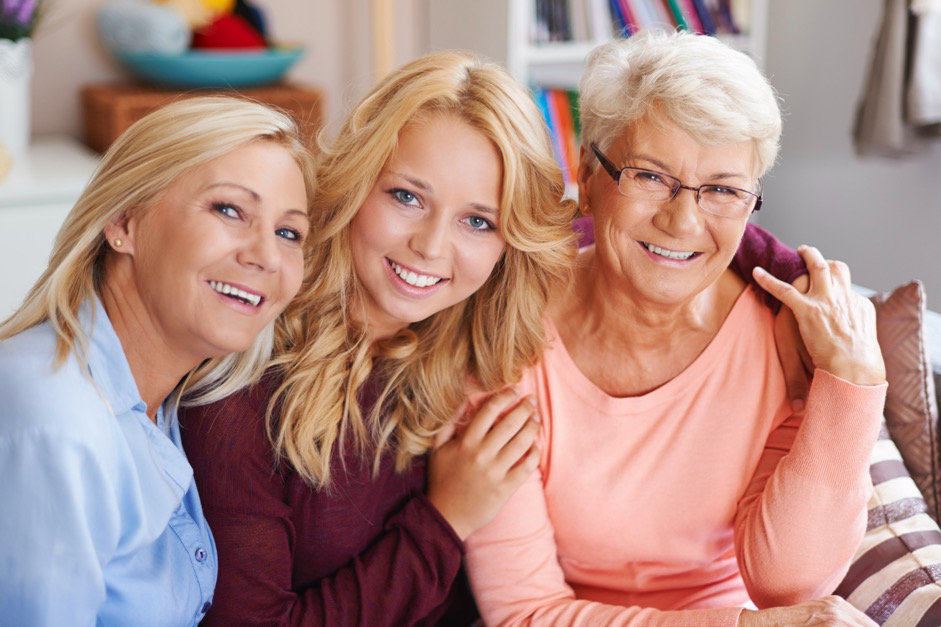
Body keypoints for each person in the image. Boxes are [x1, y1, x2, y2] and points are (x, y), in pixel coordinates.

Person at [180, 50, 813, 626]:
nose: (431, 247)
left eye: (478, 220)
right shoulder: (245, 381)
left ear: (507, 239)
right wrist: (444, 520)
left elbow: (646, 231)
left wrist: (805, 279)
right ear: (351, 182)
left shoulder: (460, 338)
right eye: (406, 196)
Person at [462, 30, 886, 626]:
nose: (682, 219)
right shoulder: (505, 336)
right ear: (588, 175)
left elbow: (789, 584)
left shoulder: (780, 335)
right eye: (649, 176)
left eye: (722, 190)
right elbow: (524, 612)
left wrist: (854, 380)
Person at [0, 96, 316, 625]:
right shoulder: (57, 422)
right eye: (229, 209)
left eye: (289, 233)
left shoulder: (163, 401)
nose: (264, 255)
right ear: (123, 220)